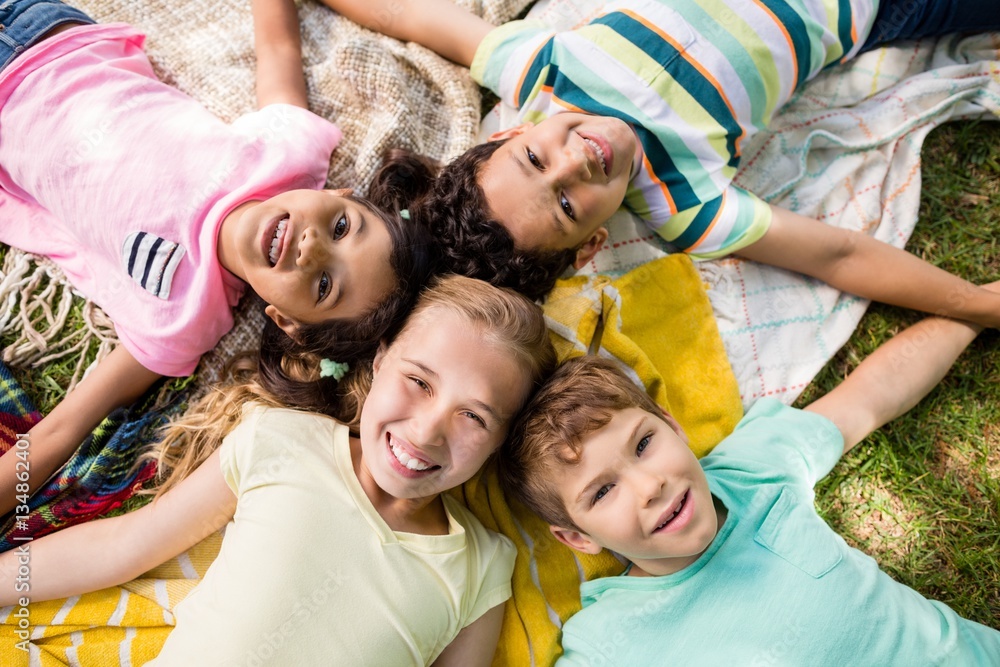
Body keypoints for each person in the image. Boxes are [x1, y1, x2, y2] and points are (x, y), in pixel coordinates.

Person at [0, 0, 436, 514]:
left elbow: (63, 428)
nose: (312, 246)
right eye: (342, 227)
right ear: (339, 194)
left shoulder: (181, 319)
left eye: (324, 286)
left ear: (287, 322)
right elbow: (277, 46)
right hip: (50, 35)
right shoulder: (288, 155)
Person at [0, 274, 557, 664]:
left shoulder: (481, 568)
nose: (429, 430)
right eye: (419, 381)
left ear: (501, 440)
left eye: (474, 417)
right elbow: (124, 545)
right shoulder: (284, 440)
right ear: (381, 360)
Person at [321, 0, 1000, 306]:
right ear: (589, 246)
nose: (575, 162)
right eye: (565, 204)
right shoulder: (687, 205)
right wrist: (973, 303)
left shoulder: (543, 72)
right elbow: (839, 254)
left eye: (535, 160)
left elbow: (409, 15)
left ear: (509, 133)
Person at [498, 294, 1000, 664]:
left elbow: (871, 396)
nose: (649, 486)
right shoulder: (607, 645)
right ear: (577, 538)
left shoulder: (751, 472)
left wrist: (981, 306)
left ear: (673, 426)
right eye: (603, 491)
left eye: (645, 443)